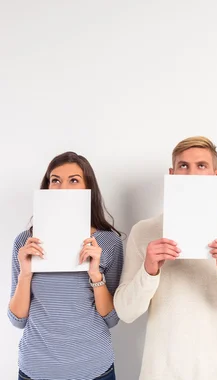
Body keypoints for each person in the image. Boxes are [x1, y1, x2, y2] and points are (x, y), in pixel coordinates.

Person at [113, 136, 217, 380]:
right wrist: (149, 271)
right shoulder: (144, 231)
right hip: (160, 370)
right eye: (183, 166)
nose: (191, 173)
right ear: (172, 173)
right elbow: (125, 312)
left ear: (216, 174)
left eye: (201, 166)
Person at [8, 151, 123, 380]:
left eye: (74, 180)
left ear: (87, 189)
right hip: (36, 369)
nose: (62, 188)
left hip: (94, 370)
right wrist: (26, 274)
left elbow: (111, 318)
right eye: (55, 180)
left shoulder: (108, 243)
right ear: (47, 187)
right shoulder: (25, 243)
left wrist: (95, 274)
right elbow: (17, 320)